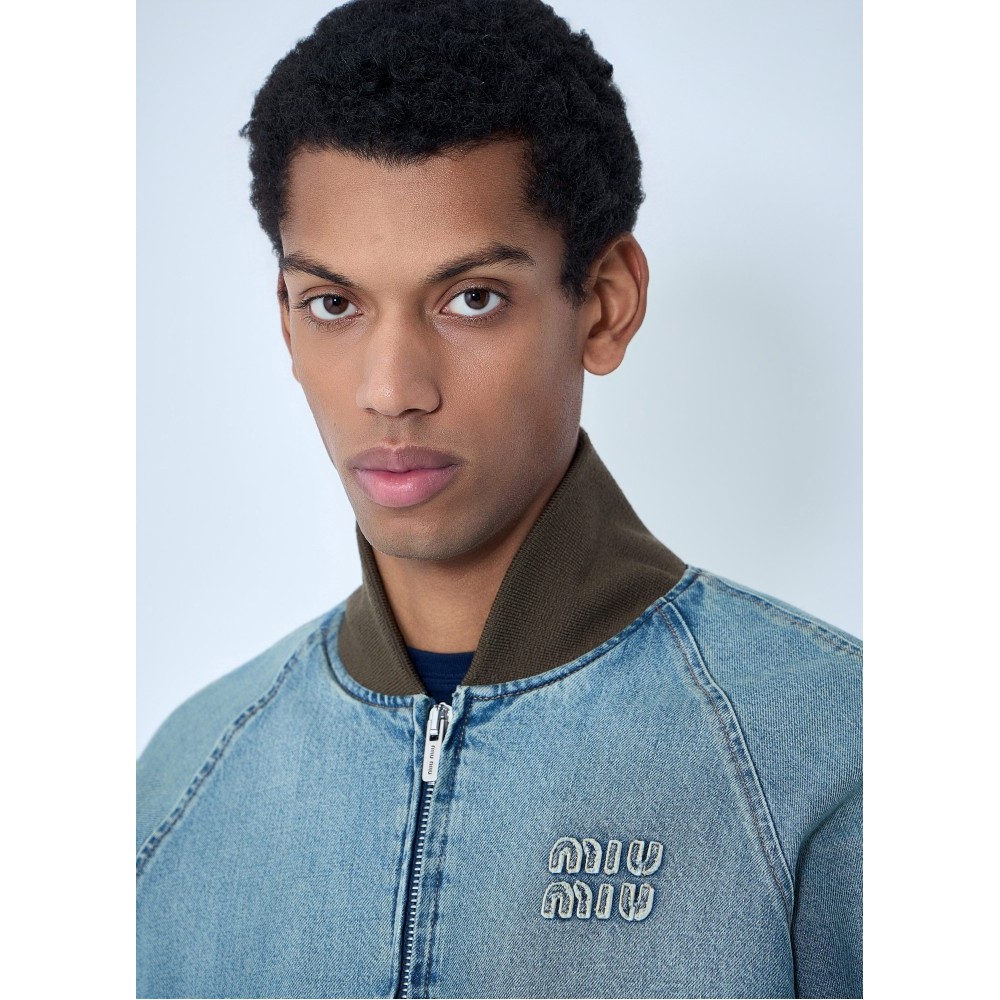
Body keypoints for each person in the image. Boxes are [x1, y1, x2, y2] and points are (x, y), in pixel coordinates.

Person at [136, 0, 862, 996]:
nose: (391, 388)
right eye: (334, 304)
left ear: (603, 305)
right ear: (287, 321)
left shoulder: (838, 756)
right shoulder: (181, 782)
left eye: (470, 298)